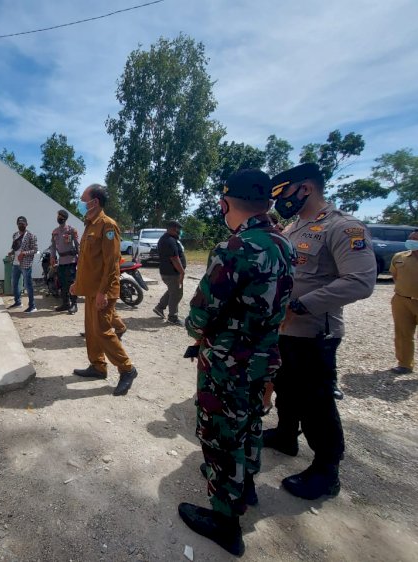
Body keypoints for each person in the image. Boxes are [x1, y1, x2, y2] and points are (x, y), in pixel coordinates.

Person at [178, 169, 294, 556]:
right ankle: (245, 486)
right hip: (264, 357)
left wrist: (197, 333)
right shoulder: (284, 243)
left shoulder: (235, 247)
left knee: (220, 434)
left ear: (226, 203)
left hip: (229, 363)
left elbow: (200, 313)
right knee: (250, 424)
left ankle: (226, 521)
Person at [264, 163, 376, 500]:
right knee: (285, 386)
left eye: (282, 194)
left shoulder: (343, 228)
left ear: (306, 189)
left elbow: (360, 282)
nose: (278, 202)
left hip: (315, 333)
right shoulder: (294, 228)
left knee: (316, 402)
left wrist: (299, 305)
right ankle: (285, 436)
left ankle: (327, 471)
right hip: (285, 331)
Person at [70, 184, 137, 396]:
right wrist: (77, 283)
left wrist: (103, 292)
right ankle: (98, 366)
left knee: (103, 331)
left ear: (95, 201)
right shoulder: (90, 224)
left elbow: (111, 263)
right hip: (91, 289)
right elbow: (87, 261)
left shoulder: (108, 226)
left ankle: (127, 369)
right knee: (91, 331)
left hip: (103, 290)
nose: (81, 203)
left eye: (83, 199)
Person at [389, 230, 418, 374]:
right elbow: (395, 275)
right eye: (410, 238)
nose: (412, 241)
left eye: (415, 239)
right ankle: (404, 364)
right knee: (402, 333)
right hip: (402, 301)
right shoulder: (399, 257)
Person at [153, 220, 186, 325]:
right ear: (172, 229)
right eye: (178, 229)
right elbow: (175, 259)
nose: (179, 231)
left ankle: (159, 307)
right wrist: (182, 272)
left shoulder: (167, 239)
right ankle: (173, 317)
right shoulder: (169, 241)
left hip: (168, 272)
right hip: (172, 273)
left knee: (172, 291)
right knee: (176, 293)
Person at [49, 209, 80, 314]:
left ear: (64, 218)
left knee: (71, 283)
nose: (59, 219)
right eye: (58, 217)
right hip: (61, 262)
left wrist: (80, 258)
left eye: (60, 217)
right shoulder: (55, 232)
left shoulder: (71, 230)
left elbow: (77, 245)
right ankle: (65, 303)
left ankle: (74, 304)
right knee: (62, 283)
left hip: (71, 261)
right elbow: (53, 246)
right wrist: (52, 257)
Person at [7, 216, 38, 313]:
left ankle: (32, 306)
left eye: (23, 224)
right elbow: (15, 247)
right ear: (17, 225)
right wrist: (12, 252)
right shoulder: (15, 235)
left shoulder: (31, 236)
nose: (21, 225)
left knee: (28, 285)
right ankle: (18, 302)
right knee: (14, 283)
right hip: (15, 263)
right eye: (19, 224)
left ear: (26, 224)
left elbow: (35, 250)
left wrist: (24, 253)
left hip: (26, 264)